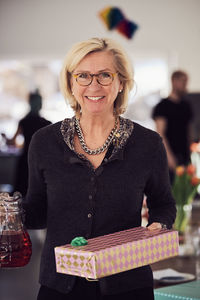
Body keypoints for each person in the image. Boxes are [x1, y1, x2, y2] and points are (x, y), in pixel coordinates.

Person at [23, 38, 176, 300]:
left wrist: (159, 224)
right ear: (71, 83)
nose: (94, 85)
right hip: (59, 286)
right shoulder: (44, 142)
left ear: (121, 83)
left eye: (105, 75)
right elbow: (37, 213)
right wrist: (11, 213)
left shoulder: (148, 144)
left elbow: (164, 204)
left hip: (127, 286)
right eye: (83, 76)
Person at [152, 70, 193, 182]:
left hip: (185, 156)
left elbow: (188, 130)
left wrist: (190, 153)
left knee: (185, 191)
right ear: (174, 81)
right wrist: (169, 157)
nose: (185, 85)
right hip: (169, 157)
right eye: (183, 81)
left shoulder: (186, 106)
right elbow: (160, 133)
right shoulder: (162, 106)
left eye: (186, 81)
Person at [8, 90, 51, 195]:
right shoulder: (46, 124)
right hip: (40, 160)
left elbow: (12, 142)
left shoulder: (23, 122)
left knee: (21, 194)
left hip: (25, 160)